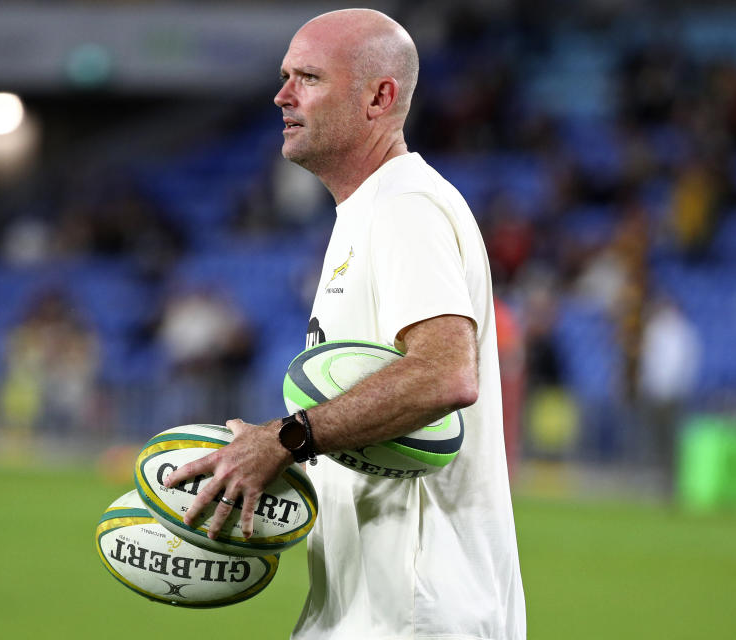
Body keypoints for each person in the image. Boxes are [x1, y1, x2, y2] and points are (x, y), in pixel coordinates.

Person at [165, 9, 526, 639]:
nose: (282, 95)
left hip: (415, 613)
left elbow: (445, 374)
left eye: (308, 77)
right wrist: (283, 465)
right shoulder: (366, 211)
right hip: (368, 606)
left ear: (379, 97)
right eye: (284, 76)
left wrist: (285, 439)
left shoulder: (405, 206)